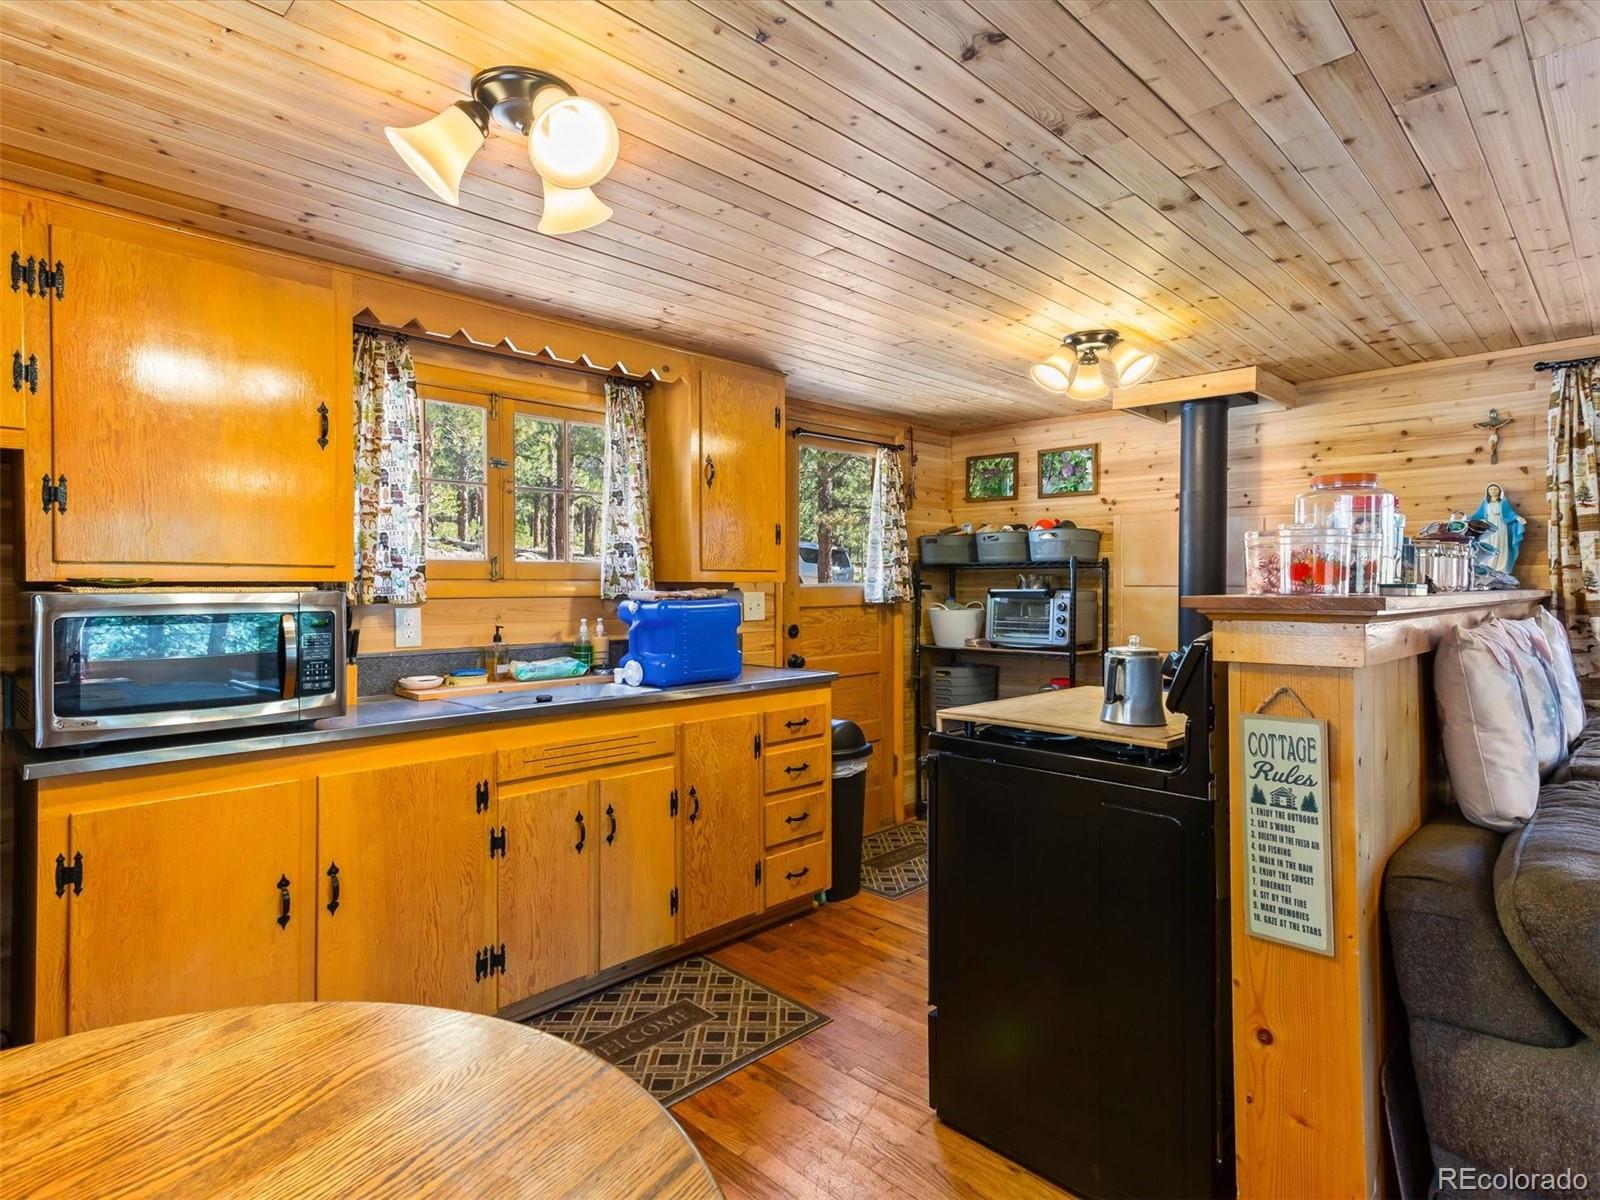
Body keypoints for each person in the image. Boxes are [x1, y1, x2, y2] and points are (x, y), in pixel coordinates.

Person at [1470, 482, 1525, 574]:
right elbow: (1478, 515)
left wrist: (1518, 518)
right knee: (1488, 543)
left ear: (1499, 491)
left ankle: (1500, 568)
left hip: (1501, 525)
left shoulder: (1503, 503)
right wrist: (1468, 519)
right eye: (1491, 489)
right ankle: (1487, 567)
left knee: (1501, 544)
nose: (1493, 491)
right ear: (1488, 491)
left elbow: (1510, 514)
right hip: (1488, 525)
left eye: (1495, 489)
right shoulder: (1485, 503)